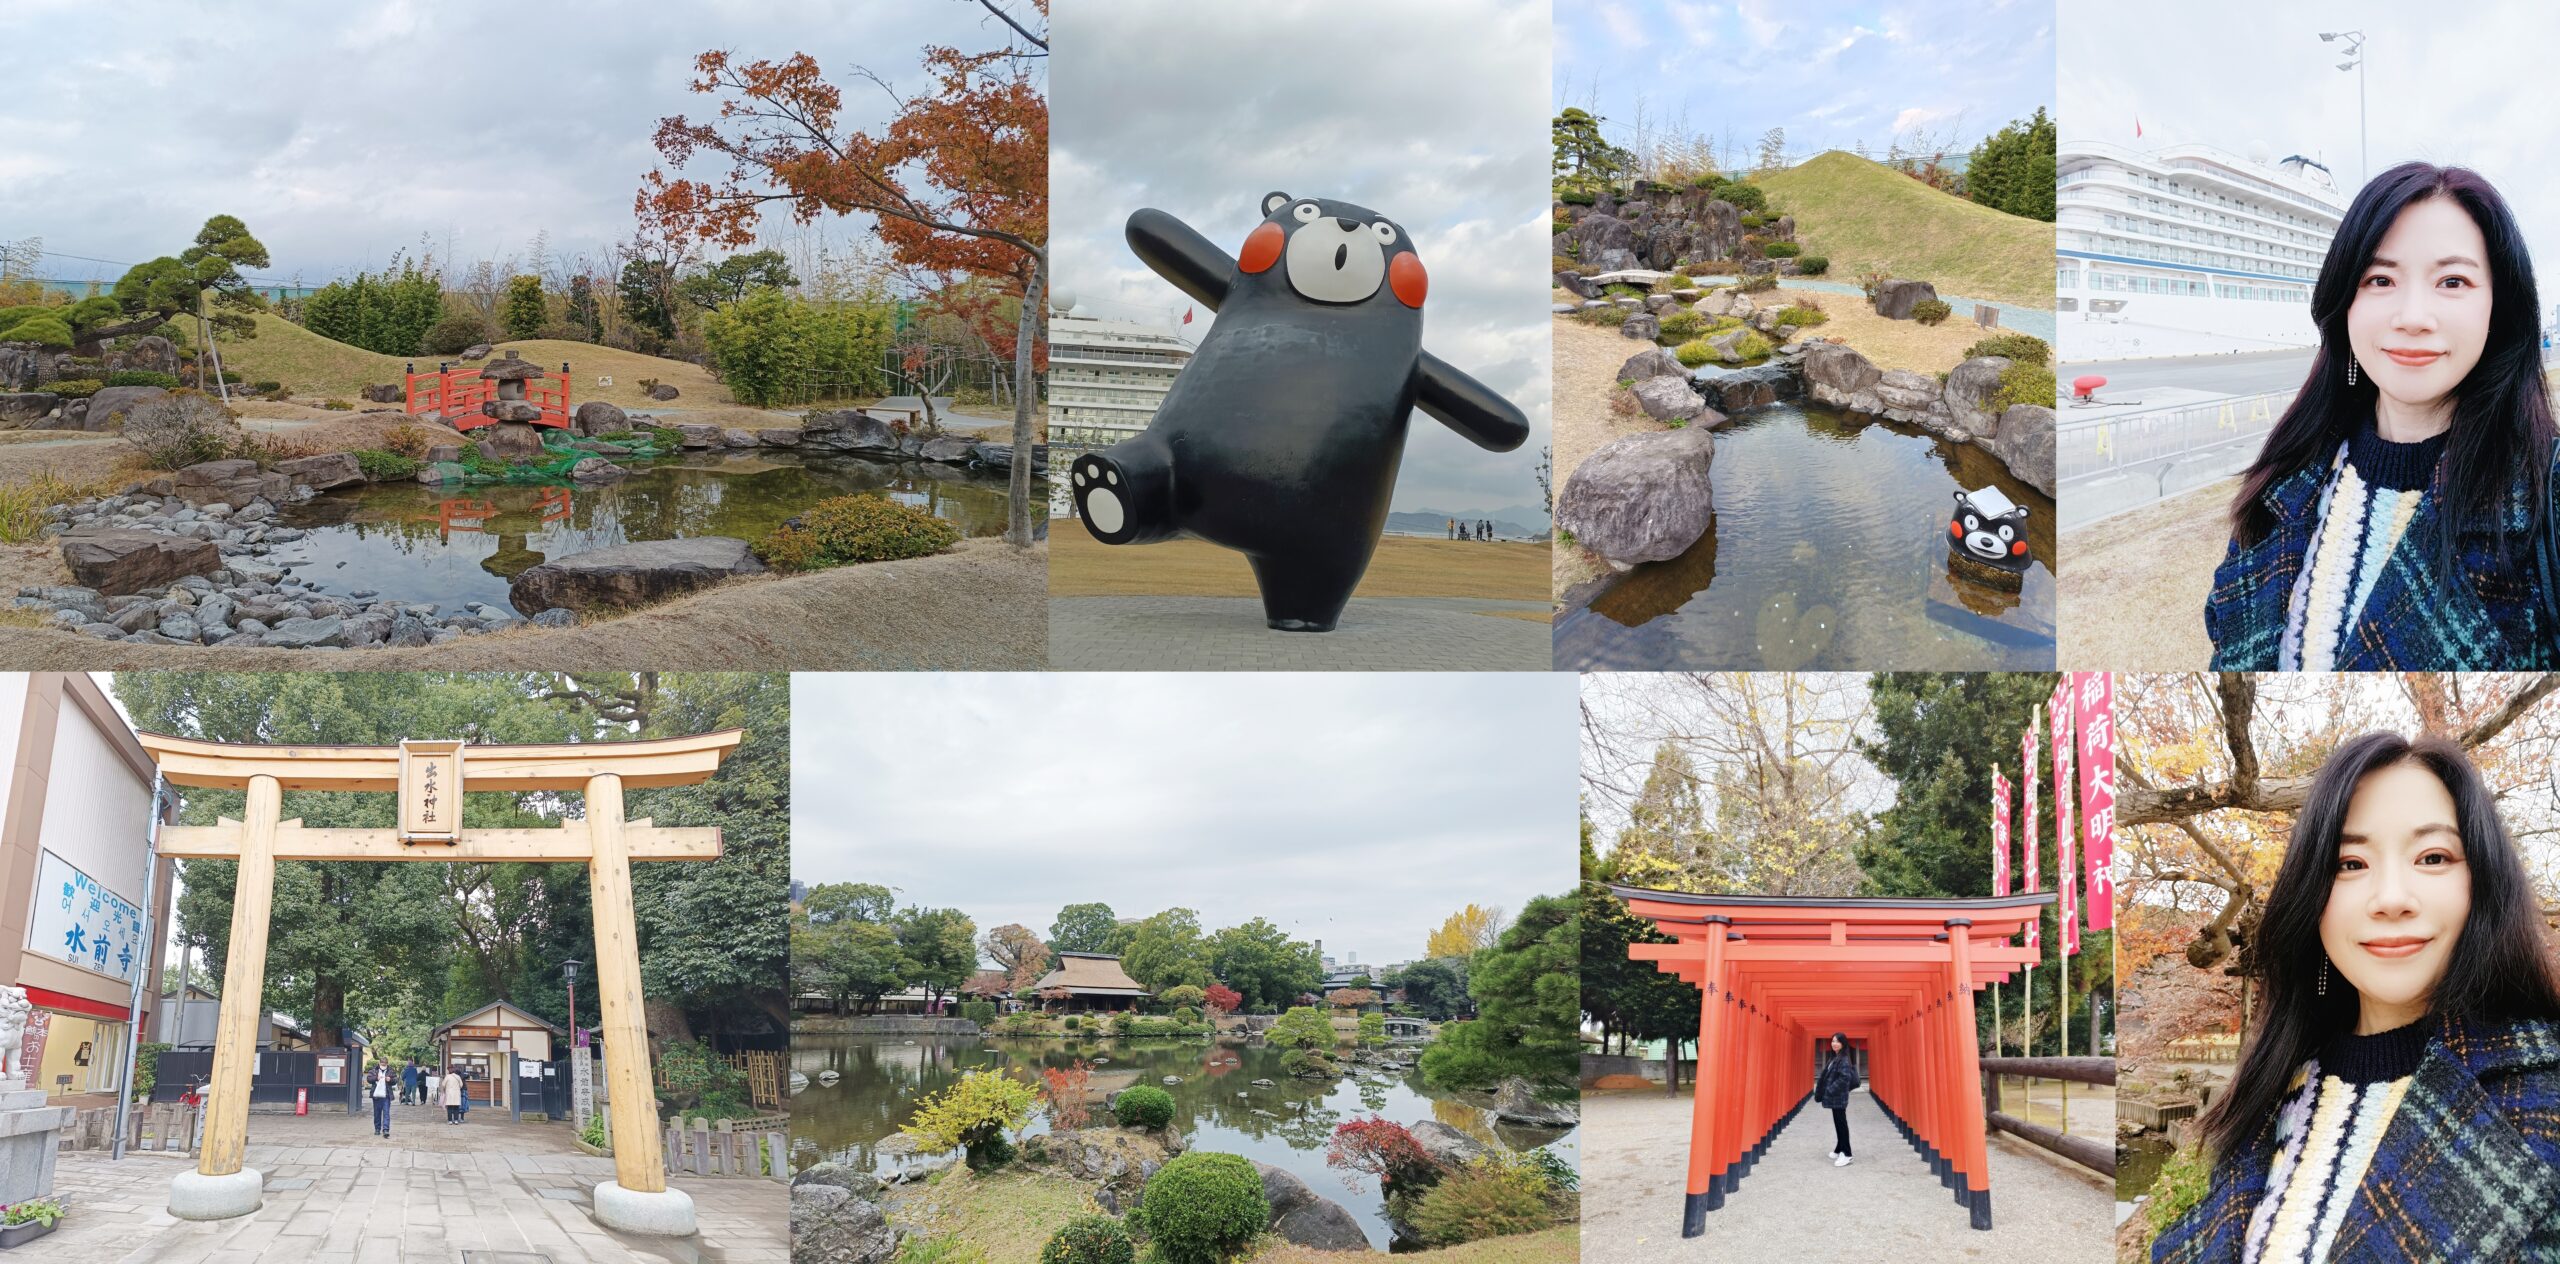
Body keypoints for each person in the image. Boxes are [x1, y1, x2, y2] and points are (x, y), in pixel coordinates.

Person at [2153, 733, 2560, 1262]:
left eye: (2433, 857)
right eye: (2350, 864)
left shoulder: (2541, 1099)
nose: (2391, 898)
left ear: (2482, 881)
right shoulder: (2275, 1089)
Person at [2206, 163, 2560, 669]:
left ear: (2497, 308)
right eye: (2380, 279)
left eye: (2453, 281)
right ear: (2345, 302)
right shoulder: (2285, 483)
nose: (2413, 317)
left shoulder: (2545, 498)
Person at [1815, 1032, 1857, 1167]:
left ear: (1843, 1044)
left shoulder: (1843, 1059)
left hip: (1838, 1097)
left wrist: (1830, 1090)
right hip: (1835, 1098)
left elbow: (1844, 1079)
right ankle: (1839, 1148)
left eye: (1837, 1041)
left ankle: (1847, 1154)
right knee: (1838, 1124)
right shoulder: (1836, 1057)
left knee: (1841, 1125)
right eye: (1832, 1041)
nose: (1834, 1043)